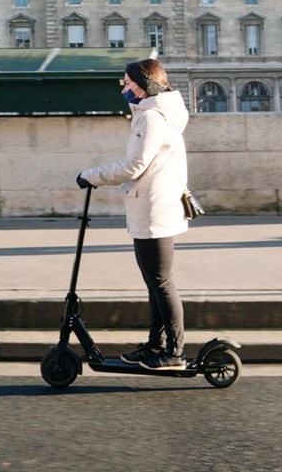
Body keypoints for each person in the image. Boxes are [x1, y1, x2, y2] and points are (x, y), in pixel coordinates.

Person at [76, 59, 190, 370]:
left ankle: (175, 352)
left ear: (144, 84)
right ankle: (156, 346)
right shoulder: (157, 115)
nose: (124, 88)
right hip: (155, 207)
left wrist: (91, 175)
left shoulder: (151, 117)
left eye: (127, 83)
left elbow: (133, 166)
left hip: (153, 211)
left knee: (161, 283)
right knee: (156, 283)